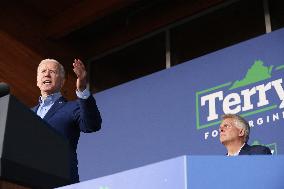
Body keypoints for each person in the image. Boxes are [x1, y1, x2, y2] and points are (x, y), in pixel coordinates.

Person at [32, 58, 102, 183]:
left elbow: (92, 125)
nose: (47, 74)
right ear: (37, 81)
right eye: (43, 71)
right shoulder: (27, 114)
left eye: (52, 71)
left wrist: (82, 90)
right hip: (27, 180)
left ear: (62, 81)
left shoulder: (72, 107)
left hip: (60, 181)